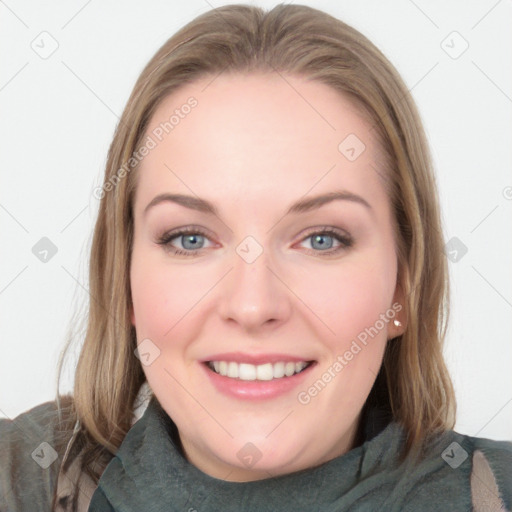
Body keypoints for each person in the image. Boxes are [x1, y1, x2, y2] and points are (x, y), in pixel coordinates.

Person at [1, 4, 510, 511]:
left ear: (403, 285)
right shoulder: (25, 476)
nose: (252, 305)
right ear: (125, 282)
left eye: (322, 239)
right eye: (191, 239)